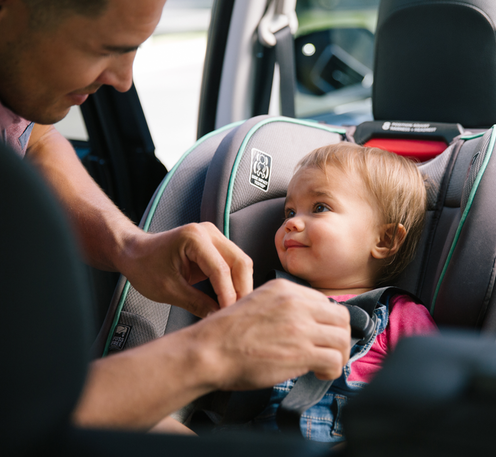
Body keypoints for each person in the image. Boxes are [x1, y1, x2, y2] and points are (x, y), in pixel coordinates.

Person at [0, 0, 351, 434]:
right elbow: (24, 416)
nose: (124, 82)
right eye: (104, 49)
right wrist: (207, 354)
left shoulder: (17, 94)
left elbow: (33, 138)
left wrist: (131, 248)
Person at [255, 143, 438, 442]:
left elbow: (431, 392)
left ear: (384, 239)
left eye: (320, 208)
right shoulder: (270, 298)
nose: (291, 222)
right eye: (289, 210)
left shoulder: (399, 315)